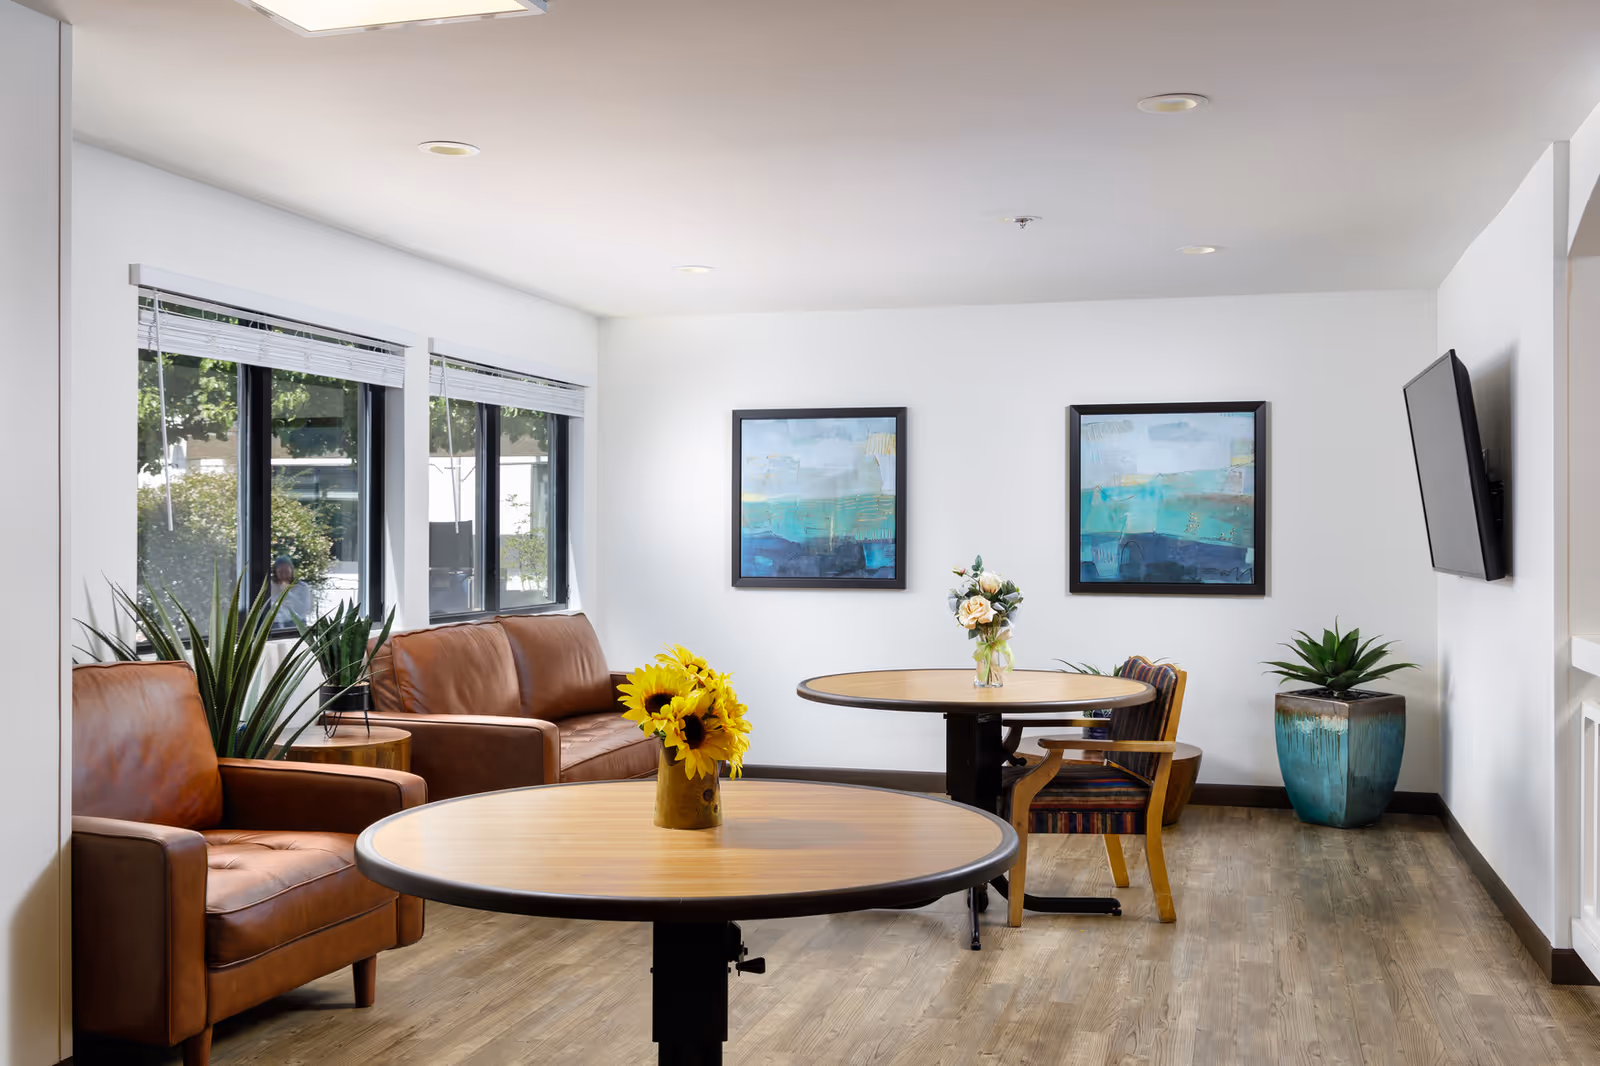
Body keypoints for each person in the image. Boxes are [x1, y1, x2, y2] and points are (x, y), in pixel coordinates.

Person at [270, 555, 313, 628]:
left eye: (286, 572)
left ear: (292, 571)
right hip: (275, 624)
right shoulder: (270, 586)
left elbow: (306, 609)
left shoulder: (302, 587)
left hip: (296, 623)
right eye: (281, 572)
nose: (284, 575)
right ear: (275, 572)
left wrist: (288, 593)